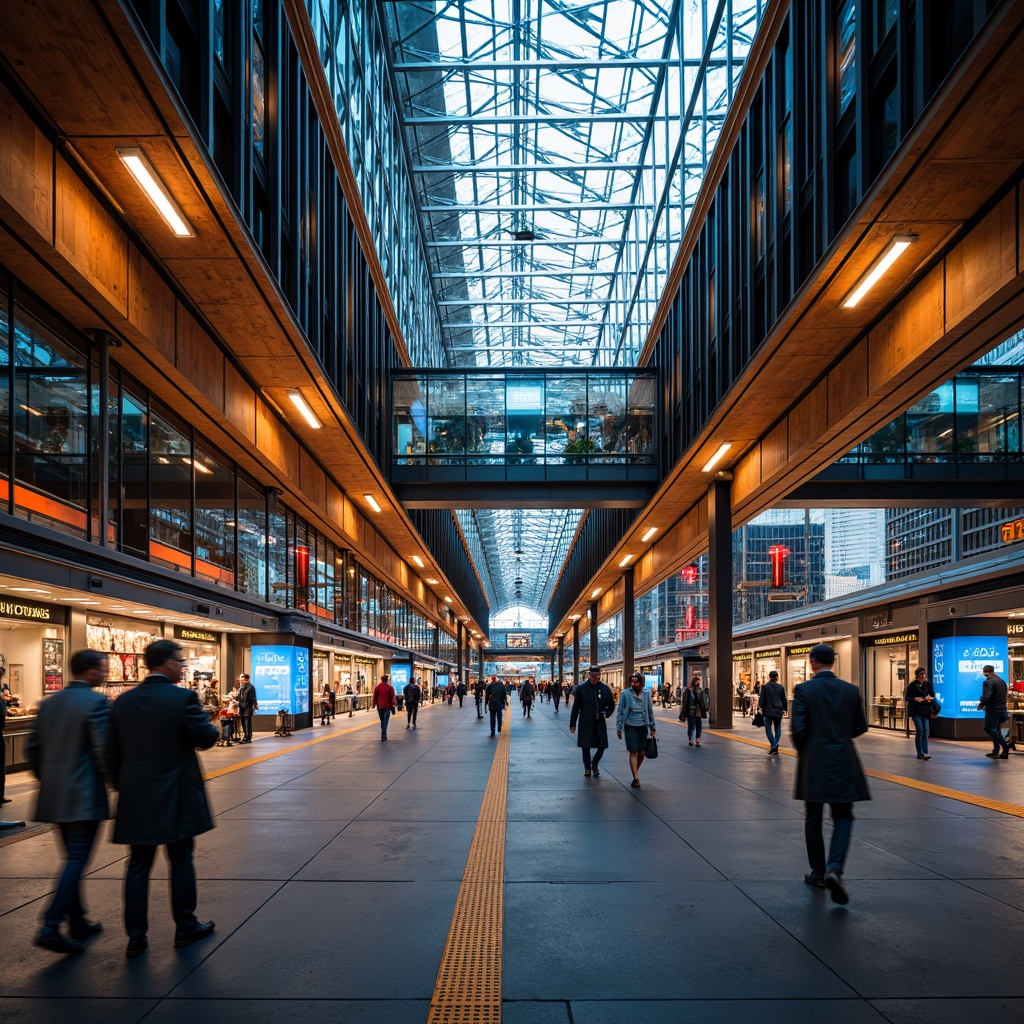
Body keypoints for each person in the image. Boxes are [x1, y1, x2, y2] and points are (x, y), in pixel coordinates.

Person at [106, 639, 220, 957]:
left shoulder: (123, 702)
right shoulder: (182, 698)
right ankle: (185, 927)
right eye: (180, 662)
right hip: (177, 795)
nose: (183, 667)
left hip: (136, 797)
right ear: (167, 664)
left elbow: (110, 754)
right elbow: (207, 738)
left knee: (138, 865)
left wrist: (125, 786)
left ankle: (136, 936)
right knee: (181, 861)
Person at [27, 649, 111, 955]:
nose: (105, 674)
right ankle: (50, 924)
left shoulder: (48, 704)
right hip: (84, 794)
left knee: (71, 858)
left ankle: (78, 922)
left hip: (54, 794)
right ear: (89, 672)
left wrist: (48, 779)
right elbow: (104, 750)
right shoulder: (97, 702)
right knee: (77, 859)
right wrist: (117, 784)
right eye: (103, 669)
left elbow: (33, 748)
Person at [792, 643, 870, 905]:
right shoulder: (850, 690)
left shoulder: (804, 690)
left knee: (813, 818)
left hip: (814, 761)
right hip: (844, 760)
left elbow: (798, 729)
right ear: (833, 662)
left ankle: (818, 872)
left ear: (813, 662)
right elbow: (860, 725)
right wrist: (839, 739)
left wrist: (810, 749)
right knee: (844, 816)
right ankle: (835, 868)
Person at [569, 666, 616, 778]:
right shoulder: (581, 689)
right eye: (592, 676)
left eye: (596, 676)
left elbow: (612, 705)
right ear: (589, 675)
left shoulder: (605, 689)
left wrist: (606, 713)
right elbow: (576, 707)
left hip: (599, 721)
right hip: (585, 721)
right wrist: (572, 723)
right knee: (585, 746)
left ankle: (594, 763)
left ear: (599, 676)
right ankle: (587, 768)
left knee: (602, 745)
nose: (594, 678)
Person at [616, 671, 656, 787]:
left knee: (642, 753)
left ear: (641, 682)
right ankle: (636, 778)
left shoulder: (646, 694)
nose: (634, 683)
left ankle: (635, 771)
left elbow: (649, 711)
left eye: (637, 681)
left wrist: (652, 726)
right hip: (630, 726)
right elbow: (620, 711)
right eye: (632, 681)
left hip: (643, 726)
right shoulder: (625, 694)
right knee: (633, 751)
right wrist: (619, 727)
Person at [979, 664, 1011, 758]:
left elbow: (986, 696)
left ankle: (1005, 747)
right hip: (1002, 709)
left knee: (989, 728)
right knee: (996, 729)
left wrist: (982, 702)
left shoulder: (988, 682)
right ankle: (996, 750)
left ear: (984, 671)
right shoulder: (1001, 681)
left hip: (993, 709)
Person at [905, 667, 937, 760]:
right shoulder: (912, 685)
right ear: (917, 675)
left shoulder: (928, 684)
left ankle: (925, 752)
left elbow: (932, 696)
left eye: (924, 674)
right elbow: (907, 698)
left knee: (926, 732)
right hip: (916, 711)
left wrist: (929, 698)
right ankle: (920, 752)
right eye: (921, 674)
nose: (923, 676)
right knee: (920, 730)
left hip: (926, 710)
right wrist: (915, 699)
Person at [758, 669, 788, 754]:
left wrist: (759, 706)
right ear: (777, 677)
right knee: (778, 728)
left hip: (768, 711)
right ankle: (775, 745)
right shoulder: (781, 687)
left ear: (769, 677)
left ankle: (774, 745)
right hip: (778, 710)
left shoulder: (765, 687)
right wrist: (785, 709)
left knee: (768, 729)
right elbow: (784, 699)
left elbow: (762, 699)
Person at [679, 675, 707, 746]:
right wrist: (684, 712)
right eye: (697, 681)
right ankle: (690, 739)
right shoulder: (688, 690)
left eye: (699, 682)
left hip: (698, 710)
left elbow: (702, 701)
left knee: (699, 725)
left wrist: (703, 710)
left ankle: (698, 739)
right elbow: (685, 702)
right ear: (694, 682)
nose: (698, 683)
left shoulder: (700, 690)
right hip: (690, 710)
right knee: (691, 725)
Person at [372, 674, 397, 741]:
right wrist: (394, 704)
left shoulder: (377, 687)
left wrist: (374, 704)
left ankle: (383, 734)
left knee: (382, 720)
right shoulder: (390, 688)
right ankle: (383, 735)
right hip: (387, 706)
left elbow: (375, 697)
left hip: (379, 706)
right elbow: (393, 697)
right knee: (385, 720)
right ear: (387, 680)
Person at [236, 672, 257, 744]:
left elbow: (253, 697)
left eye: (241, 677)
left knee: (247, 722)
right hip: (241, 706)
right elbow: (238, 698)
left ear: (245, 679)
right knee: (243, 722)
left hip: (248, 706)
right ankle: (245, 736)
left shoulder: (251, 687)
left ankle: (248, 738)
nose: (239, 679)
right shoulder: (241, 687)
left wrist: (255, 705)